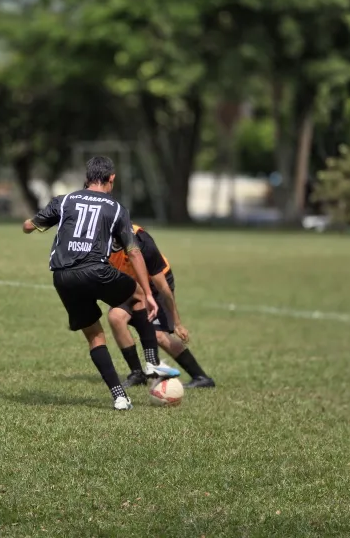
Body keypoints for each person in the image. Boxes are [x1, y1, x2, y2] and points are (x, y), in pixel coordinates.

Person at [22, 155, 179, 411]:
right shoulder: (116, 209)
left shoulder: (65, 200)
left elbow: (29, 226)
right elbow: (134, 252)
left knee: (95, 336)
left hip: (63, 277)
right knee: (139, 295)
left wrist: (33, 224)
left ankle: (119, 397)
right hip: (97, 271)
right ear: (111, 178)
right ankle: (151, 362)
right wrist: (149, 294)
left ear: (87, 178)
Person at [107, 224, 215, 389]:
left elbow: (164, 289)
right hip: (130, 283)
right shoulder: (99, 239)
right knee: (116, 317)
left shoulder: (143, 243)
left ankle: (201, 377)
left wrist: (177, 323)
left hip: (155, 284)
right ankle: (137, 374)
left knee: (158, 336)